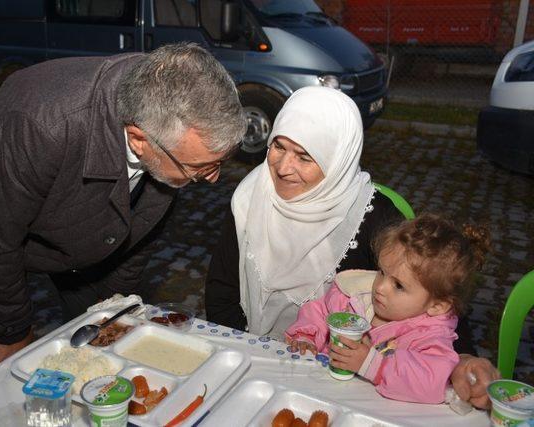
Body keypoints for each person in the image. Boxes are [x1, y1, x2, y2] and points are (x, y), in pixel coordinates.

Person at [0, 43, 246, 370]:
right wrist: (10, 332)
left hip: (80, 222)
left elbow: (139, 235)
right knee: (10, 358)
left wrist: (111, 306)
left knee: (104, 335)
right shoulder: (39, 124)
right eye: (201, 167)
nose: (212, 179)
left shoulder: (166, 117)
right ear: (139, 140)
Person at [204, 85, 500, 408]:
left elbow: (435, 287)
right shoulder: (251, 197)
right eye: (278, 146)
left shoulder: (375, 218)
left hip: (340, 384)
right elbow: (221, 293)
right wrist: (250, 360)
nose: (283, 167)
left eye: (304, 156)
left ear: (337, 160)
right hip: (259, 360)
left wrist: (464, 360)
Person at [285, 213, 491, 404]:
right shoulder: (355, 296)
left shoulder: (429, 335)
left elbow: (433, 380)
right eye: (382, 272)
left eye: (399, 285)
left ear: (437, 305)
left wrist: (373, 364)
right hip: (317, 394)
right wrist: (306, 336)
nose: (380, 287)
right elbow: (320, 311)